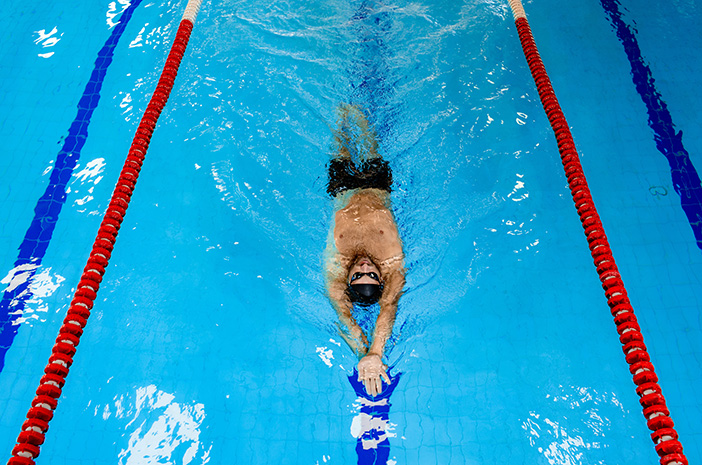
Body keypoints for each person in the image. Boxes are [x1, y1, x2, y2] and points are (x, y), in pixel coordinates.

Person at [324, 104, 405, 397]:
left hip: (343, 190)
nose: (364, 265)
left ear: (348, 280)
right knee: (370, 146)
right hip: (377, 188)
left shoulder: (336, 267)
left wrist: (364, 354)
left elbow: (344, 318)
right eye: (371, 273)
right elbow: (389, 308)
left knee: (340, 148)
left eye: (359, 274)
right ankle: (357, 114)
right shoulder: (392, 264)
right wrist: (378, 351)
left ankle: (341, 117)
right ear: (380, 277)